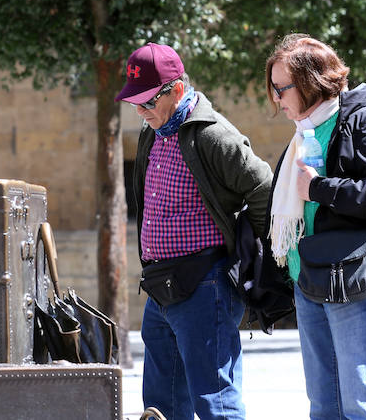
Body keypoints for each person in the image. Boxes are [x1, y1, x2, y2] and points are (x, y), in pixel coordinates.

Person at [265, 34, 366, 419]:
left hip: (358, 283)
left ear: (309, 83)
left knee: (364, 405)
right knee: (325, 408)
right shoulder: (302, 133)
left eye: (280, 89)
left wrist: (318, 188)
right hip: (311, 282)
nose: (276, 100)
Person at [116, 43, 273, 420]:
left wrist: (245, 247)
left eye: (148, 102)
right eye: (134, 102)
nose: (140, 111)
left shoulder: (213, 134)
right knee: (161, 404)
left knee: (215, 402)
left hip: (206, 285)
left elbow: (263, 185)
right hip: (160, 285)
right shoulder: (152, 131)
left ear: (178, 90)